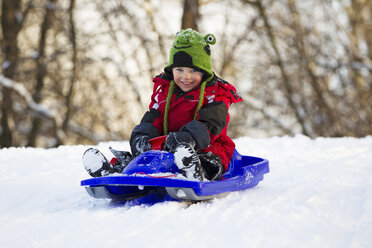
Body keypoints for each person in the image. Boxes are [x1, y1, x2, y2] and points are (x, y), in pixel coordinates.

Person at [83, 28, 242, 181]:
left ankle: (195, 171)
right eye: (179, 69)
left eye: (193, 70)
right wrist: (142, 136)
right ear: (172, 70)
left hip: (207, 147)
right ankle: (115, 173)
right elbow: (154, 117)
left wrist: (188, 139)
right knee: (144, 158)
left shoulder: (216, 94)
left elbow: (211, 125)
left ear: (204, 71)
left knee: (210, 160)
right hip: (167, 147)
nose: (186, 76)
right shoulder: (165, 91)